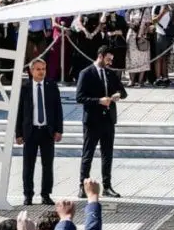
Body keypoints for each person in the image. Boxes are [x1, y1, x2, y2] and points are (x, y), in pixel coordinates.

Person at [74, 45, 127, 197]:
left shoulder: (111, 73)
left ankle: (107, 186)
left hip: (108, 119)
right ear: (101, 56)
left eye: (111, 60)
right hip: (92, 120)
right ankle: (82, 184)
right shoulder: (86, 73)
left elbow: (123, 92)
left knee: (107, 154)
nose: (110, 62)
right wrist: (98, 101)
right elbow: (79, 97)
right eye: (108, 59)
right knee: (88, 153)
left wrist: (118, 95)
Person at [15, 58, 63, 205]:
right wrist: (18, 133)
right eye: (38, 69)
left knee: (47, 165)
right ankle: (28, 194)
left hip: (47, 132)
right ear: (31, 71)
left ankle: (46, 194)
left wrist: (58, 130)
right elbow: (19, 112)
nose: (41, 72)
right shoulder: (25, 87)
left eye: (43, 69)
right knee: (28, 165)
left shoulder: (51, 86)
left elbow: (58, 109)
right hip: (31, 131)